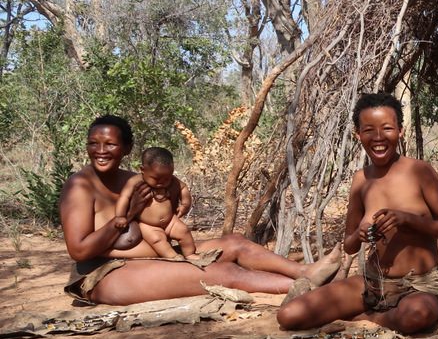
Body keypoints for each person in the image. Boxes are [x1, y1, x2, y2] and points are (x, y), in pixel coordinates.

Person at [61, 115, 344, 305]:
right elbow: (79, 251)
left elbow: (168, 207)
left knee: (234, 243)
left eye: (110, 144)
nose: (100, 150)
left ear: (127, 148)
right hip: (106, 274)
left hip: (161, 256)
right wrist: (125, 216)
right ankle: (310, 287)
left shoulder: (134, 179)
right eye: (93, 144)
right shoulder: (80, 186)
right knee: (222, 273)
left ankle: (305, 270)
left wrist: (179, 202)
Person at [276, 93, 438, 334]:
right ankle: (380, 315)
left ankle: (363, 318)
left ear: (400, 131)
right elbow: (349, 245)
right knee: (289, 315)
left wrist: (409, 220)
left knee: (416, 317)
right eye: (368, 130)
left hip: (418, 286)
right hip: (372, 283)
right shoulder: (360, 180)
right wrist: (360, 234)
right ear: (358, 135)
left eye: (387, 128)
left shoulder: (420, 172)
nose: (378, 137)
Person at [113, 147, 196, 260]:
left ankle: (190, 253)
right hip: (148, 225)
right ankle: (173, 257)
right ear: (142, 170)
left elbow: (183, 188)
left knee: (184, 231)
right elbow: (124, 197)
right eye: (156, 179)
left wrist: (185, 204)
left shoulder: (172, 180)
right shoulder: (135, 181)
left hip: (170, 221)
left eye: (167, 178)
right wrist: (120, 216)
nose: (162, 182)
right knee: (157, 240)